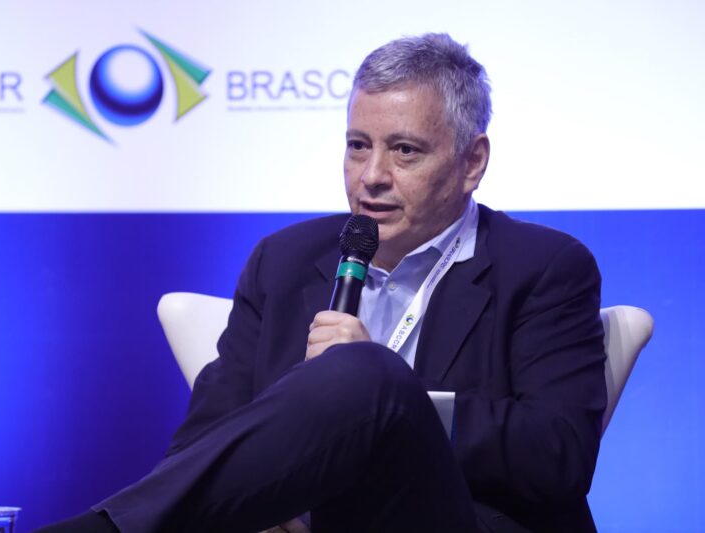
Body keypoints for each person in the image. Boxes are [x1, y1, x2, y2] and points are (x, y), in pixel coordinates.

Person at [38, 33, 606, 532]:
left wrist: (397, 396)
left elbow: (557, 455)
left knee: (366, 371)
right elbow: (201, 447)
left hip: (458, 519)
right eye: (358, 146)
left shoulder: (544, 267)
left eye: (405, 151)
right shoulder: (283, 261)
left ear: (472, 162)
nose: (372, 176)